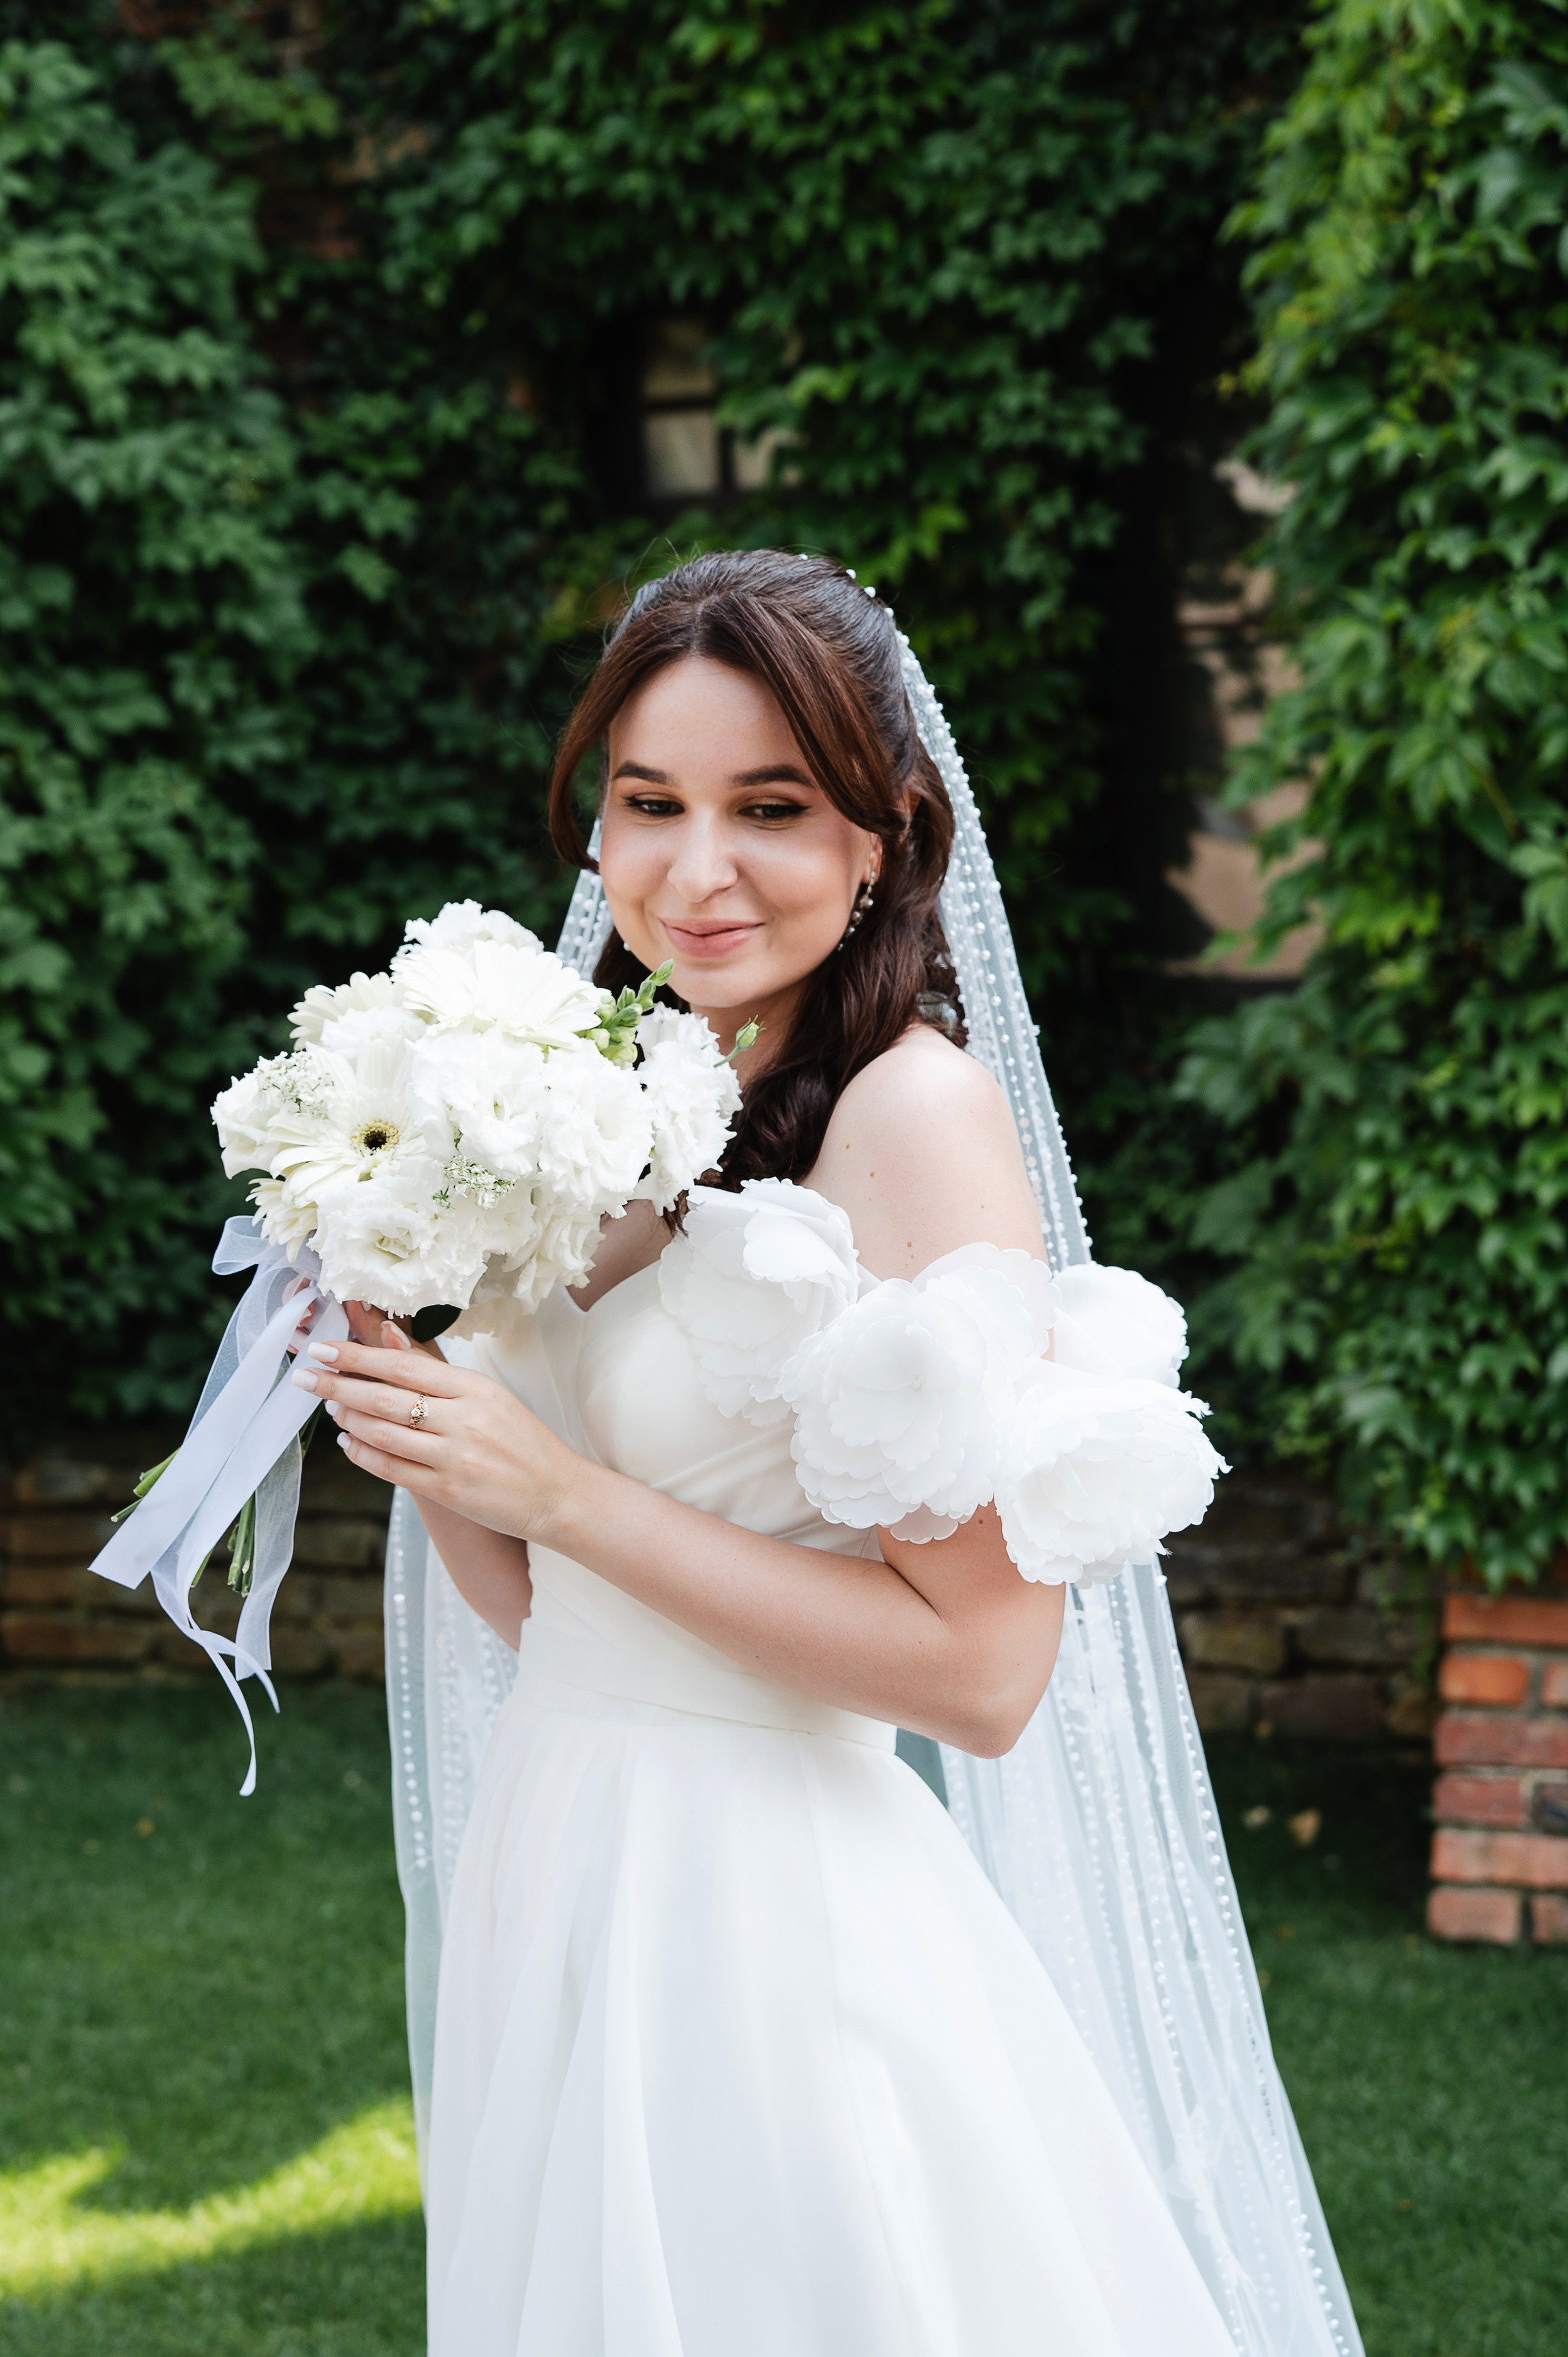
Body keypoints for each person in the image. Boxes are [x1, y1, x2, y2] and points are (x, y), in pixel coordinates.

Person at [289, 553, 1360, 2357]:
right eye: (650, 805)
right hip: (574, 1855)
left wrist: (563, 1491)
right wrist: (432, 1434)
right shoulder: (630, 1099)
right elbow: (560, 1615)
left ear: (884, 837)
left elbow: (985, 1671)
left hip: (763, 1917)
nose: (695, 871)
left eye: (768, 809)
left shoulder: (912, 1117)